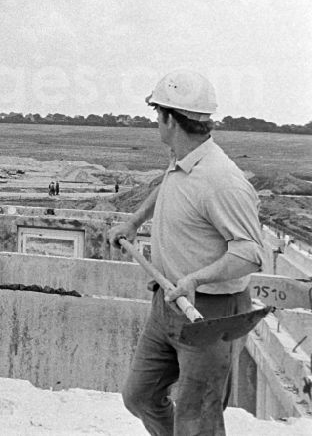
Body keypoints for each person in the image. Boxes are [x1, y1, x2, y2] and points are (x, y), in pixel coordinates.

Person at [106, 69, 265, 436]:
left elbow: (251, 253)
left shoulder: (222, 180)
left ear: (168, 119)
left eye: (156, 115)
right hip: (168, 302)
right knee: (140, 396)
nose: (155, 123)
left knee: (198, 420)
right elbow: (168, 185)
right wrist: (133, 222)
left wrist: (195, 278)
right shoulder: (182, 159)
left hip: (209, 315)